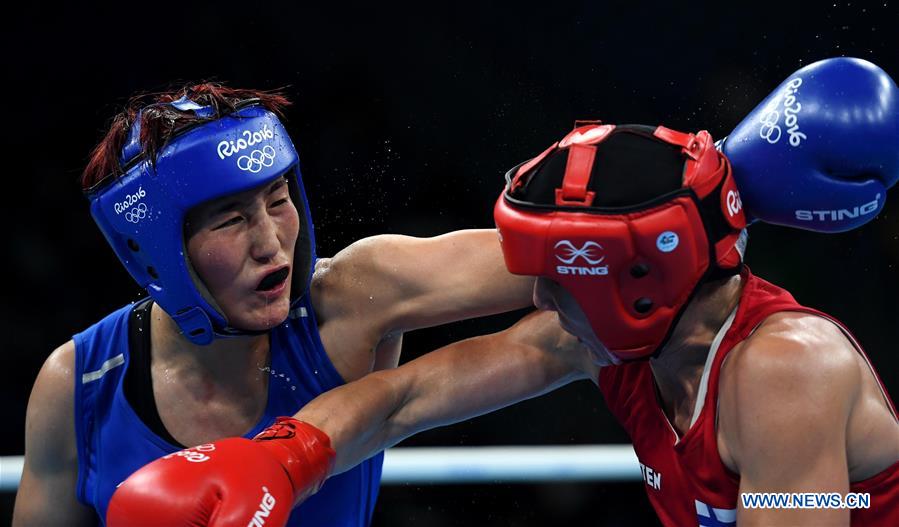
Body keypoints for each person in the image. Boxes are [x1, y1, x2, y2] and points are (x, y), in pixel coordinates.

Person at [108, 58, 899, 526]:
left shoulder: (783, 369)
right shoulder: (614, 342)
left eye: (559, 280)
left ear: (635, 291)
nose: (537, 299)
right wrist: (282, 460)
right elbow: (401, 396)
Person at [11, 84, 538, 527]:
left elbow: (568, 264)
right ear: (155, 251)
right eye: (231, 219)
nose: (270, 241)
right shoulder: (78, 382)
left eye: (278, 199)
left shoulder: (351, 299)